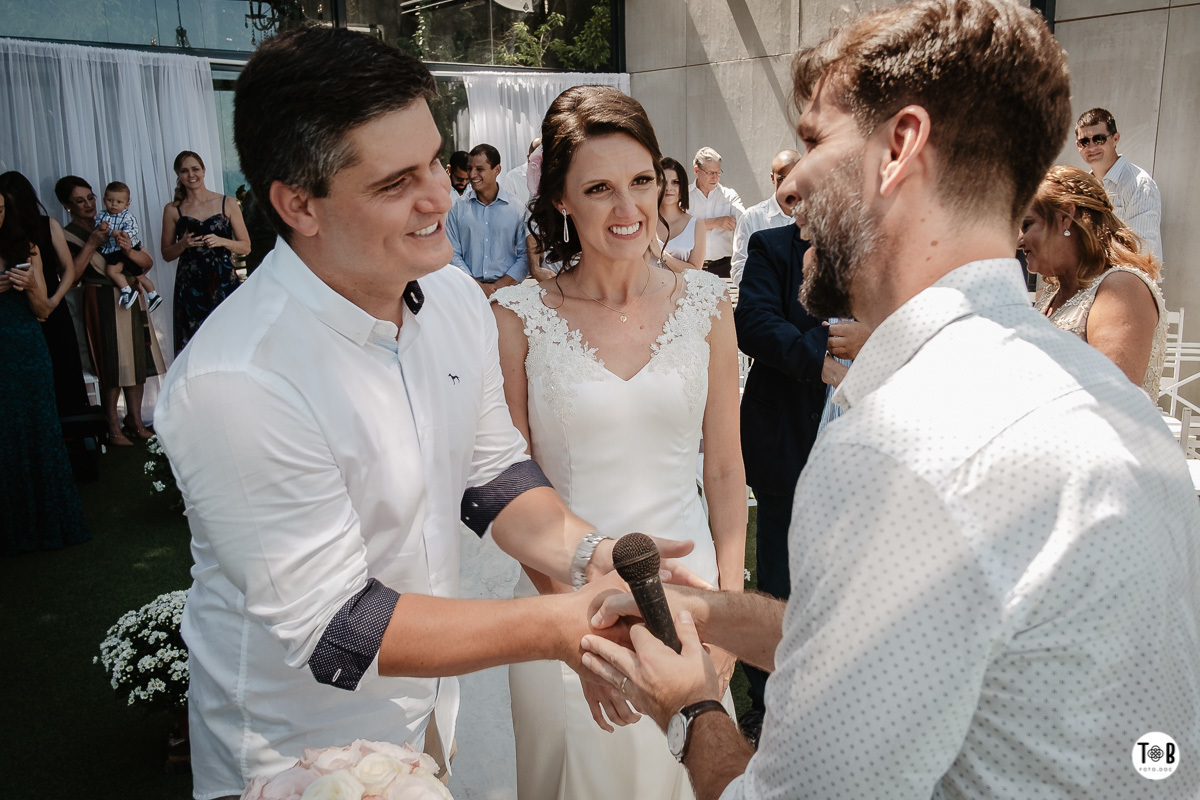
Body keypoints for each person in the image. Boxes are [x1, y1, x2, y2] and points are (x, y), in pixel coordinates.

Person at [581, 2, 1200, 798]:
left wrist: (691, 707)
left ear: (898, 148)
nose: (793, 183)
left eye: (811, 140)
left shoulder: (902, 449)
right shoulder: (1108, 401)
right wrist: (711, 614)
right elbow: (931, 649)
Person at [153, 27, 694, 799]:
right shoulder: (235, 382)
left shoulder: (448, 297)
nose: (441, 195)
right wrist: (569, 624)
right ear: (297, 204)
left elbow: (493, 474)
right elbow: (340, 630)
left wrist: (590, 554)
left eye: (436, 160)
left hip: (430, 720)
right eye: (396, 181)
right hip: (299, 757)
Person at [492, 85, 746, 800]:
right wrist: (574, 635)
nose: (628, 209)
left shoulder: (706, 305)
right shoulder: (515, 318)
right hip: (559, 608)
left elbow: (725, 470)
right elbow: (512, 492)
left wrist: (728, 610)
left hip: (688, 612)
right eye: (599, 188)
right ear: (561, 200)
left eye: (640, 181)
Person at [731, 221, 866, 748]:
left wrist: (874, 338)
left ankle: (837, 693)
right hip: (787, 435)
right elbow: (755, 323)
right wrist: (824, 356)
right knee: (778, 577)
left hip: (864, 432)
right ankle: (769, 701)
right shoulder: (772, 246)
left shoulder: (878, 236)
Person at [1020, 164, 1166, 395]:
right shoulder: (1051, 294)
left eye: (1027, 224)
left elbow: (1112, 401)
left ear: (1065, 218)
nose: (1020, 240)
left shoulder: (1121, 288)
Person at [0, 189, 91, 555]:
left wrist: (31, 286)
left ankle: (47, 525)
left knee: (38, 427)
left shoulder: (27, 248)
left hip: (27, 348)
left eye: (0, 207)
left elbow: (41, 311)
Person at [56, 175, 166, 444]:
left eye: (90, 197)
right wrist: (92, 242)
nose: (88, 204)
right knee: (111, 363)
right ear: (67, 205)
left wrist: (128, 252)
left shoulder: (117, 220)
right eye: (79, 201)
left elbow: (146, 262)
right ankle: (113, 427)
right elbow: (72, 277)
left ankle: (136, 420)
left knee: (137, 358)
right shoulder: (66, 234)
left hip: (131, 293)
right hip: (100, 298)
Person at [0, 171, 88, 416]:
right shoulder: (5, 233)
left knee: (64, 369)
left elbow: (68, 270)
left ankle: (76, 435)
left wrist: (54, 300)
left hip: (52, 304)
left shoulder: (47, 225)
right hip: (18, 311)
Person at [160, 150, 251, 354]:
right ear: (178, 175)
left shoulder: (226, 202)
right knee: (195, 346)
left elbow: (246, 246)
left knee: (230, 341)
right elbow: (166, 254)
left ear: (204, 170)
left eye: (195, 169)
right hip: (190, 286)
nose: (191, 175)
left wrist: (222, 241)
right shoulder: (173, 209)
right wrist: (182, 244)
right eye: (184, 171)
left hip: (223, 282)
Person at [1075, 107, 1162, 265]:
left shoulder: (1139, 184)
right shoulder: (1081, 190)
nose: (1092, 147)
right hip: (1090, 283)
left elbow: (1141, 249)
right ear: (1078, 145)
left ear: (1115, 139)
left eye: (1099, 139)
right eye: (1084, 142)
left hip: (1128, 284)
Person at [447, 143, 528, 296]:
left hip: (509, 293)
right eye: (470, 168)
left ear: (497, 170)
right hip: (466, 292)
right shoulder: (458, 208)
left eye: (480, 169)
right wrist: (477, 286)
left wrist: (497, 287)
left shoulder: (517, 207)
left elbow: (525, 256)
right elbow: (453, 253)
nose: (472, 175)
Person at [729, 150, 800, 287]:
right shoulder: (752, 218)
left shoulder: (816, 218)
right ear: (772, 178)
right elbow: (739, 269)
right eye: (781, 179)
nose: (788, 184)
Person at [96, 181, 162, 312]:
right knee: (138, 275)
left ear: (127, 204)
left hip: (126, 248)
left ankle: (127, 291)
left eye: (119, 202)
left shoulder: (127, 216)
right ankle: (153, 295)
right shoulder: (102, 215)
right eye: (110, 200)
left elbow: (133, 230)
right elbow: (97, 227)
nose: (114, 204)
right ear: (104, 200)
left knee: (112, 271)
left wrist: (121, 233)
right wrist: (101, 227)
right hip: (114, 249)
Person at [688, 147, 744, 278]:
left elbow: (744, 219)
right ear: (696, 171)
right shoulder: (683, 196)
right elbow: (679, 228)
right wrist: (716, 222)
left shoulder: (729, 196)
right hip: (691, 268)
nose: (715, 177)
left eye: (718, 172)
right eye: (710, 173)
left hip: (724, 268)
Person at [653, 156, 706, 272]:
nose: (668, 188)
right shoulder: (645, 222)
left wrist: (662, 255)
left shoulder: (697, 225)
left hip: (683, 289)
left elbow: (695, 272)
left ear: (682, 188)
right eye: (663, 182)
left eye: (675, 182)